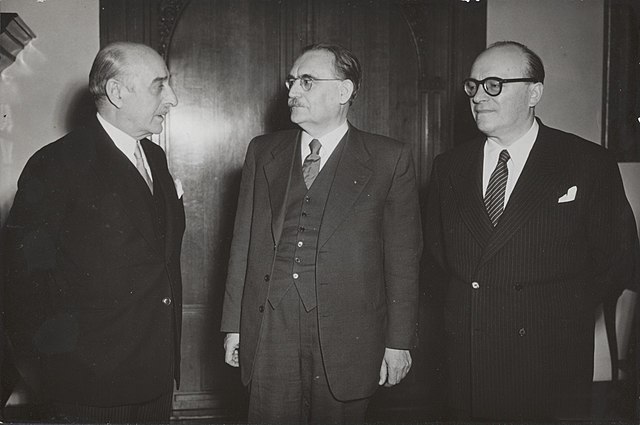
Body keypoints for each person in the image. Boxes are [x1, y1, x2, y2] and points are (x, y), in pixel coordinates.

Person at [424, 40, 640, 421]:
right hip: (469, 362)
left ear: (534, 92)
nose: (478, 96)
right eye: (472, 86)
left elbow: (618, 257)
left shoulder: (586, 162)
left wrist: (555, 312)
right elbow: (438, 259)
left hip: (549, 362)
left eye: (494, 84)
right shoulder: (448, 167)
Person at [221, 43, 422, 423]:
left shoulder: (387, 158)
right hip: (269, 327)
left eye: (307, 82)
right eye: (292, 81)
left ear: (343, 92)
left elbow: (403, 260)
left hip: (349, 335)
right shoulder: (263, 151)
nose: (292, 92)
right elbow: (241, 244)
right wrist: (233, 326)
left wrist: (398, 343)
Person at [2, 42, 184, 423]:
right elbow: (21, 281)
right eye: (159, 85)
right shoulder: (56, 164)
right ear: (117, 92)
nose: (173, 98)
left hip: (154, 377)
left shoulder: (155, 158)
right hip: (89, 386)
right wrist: (55, 371)